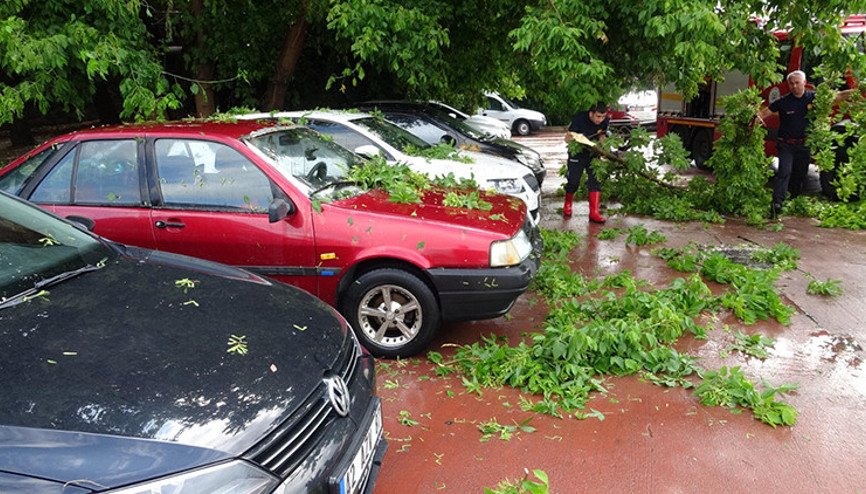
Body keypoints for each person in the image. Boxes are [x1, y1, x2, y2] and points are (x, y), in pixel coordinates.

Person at [754, 70, 855, 217]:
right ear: (788, 85)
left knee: (799, 175)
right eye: (791, 83)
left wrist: (858, 91)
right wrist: (753, 120)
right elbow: (764, 113)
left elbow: (838, 96)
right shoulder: (783, 102)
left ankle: (793, 199)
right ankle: (777, 203)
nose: (794, 86)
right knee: (784, 172)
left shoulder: (814, 98)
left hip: (804, 145)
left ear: (804, 83)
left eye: (797, 83)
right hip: (786, 144)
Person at [563, 101, 609, 223]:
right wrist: (577, 138)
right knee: (573, 181)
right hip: (577, 153)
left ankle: (594, 213)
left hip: (593, 153)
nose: (601, 120)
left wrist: (605, 150)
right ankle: (568, 204)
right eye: (598, 116)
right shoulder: (579, 118)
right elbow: (567, 138)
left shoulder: (605, 121)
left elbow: (602, 136)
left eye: (603, 116)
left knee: (595, 181)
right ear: (591, 114)